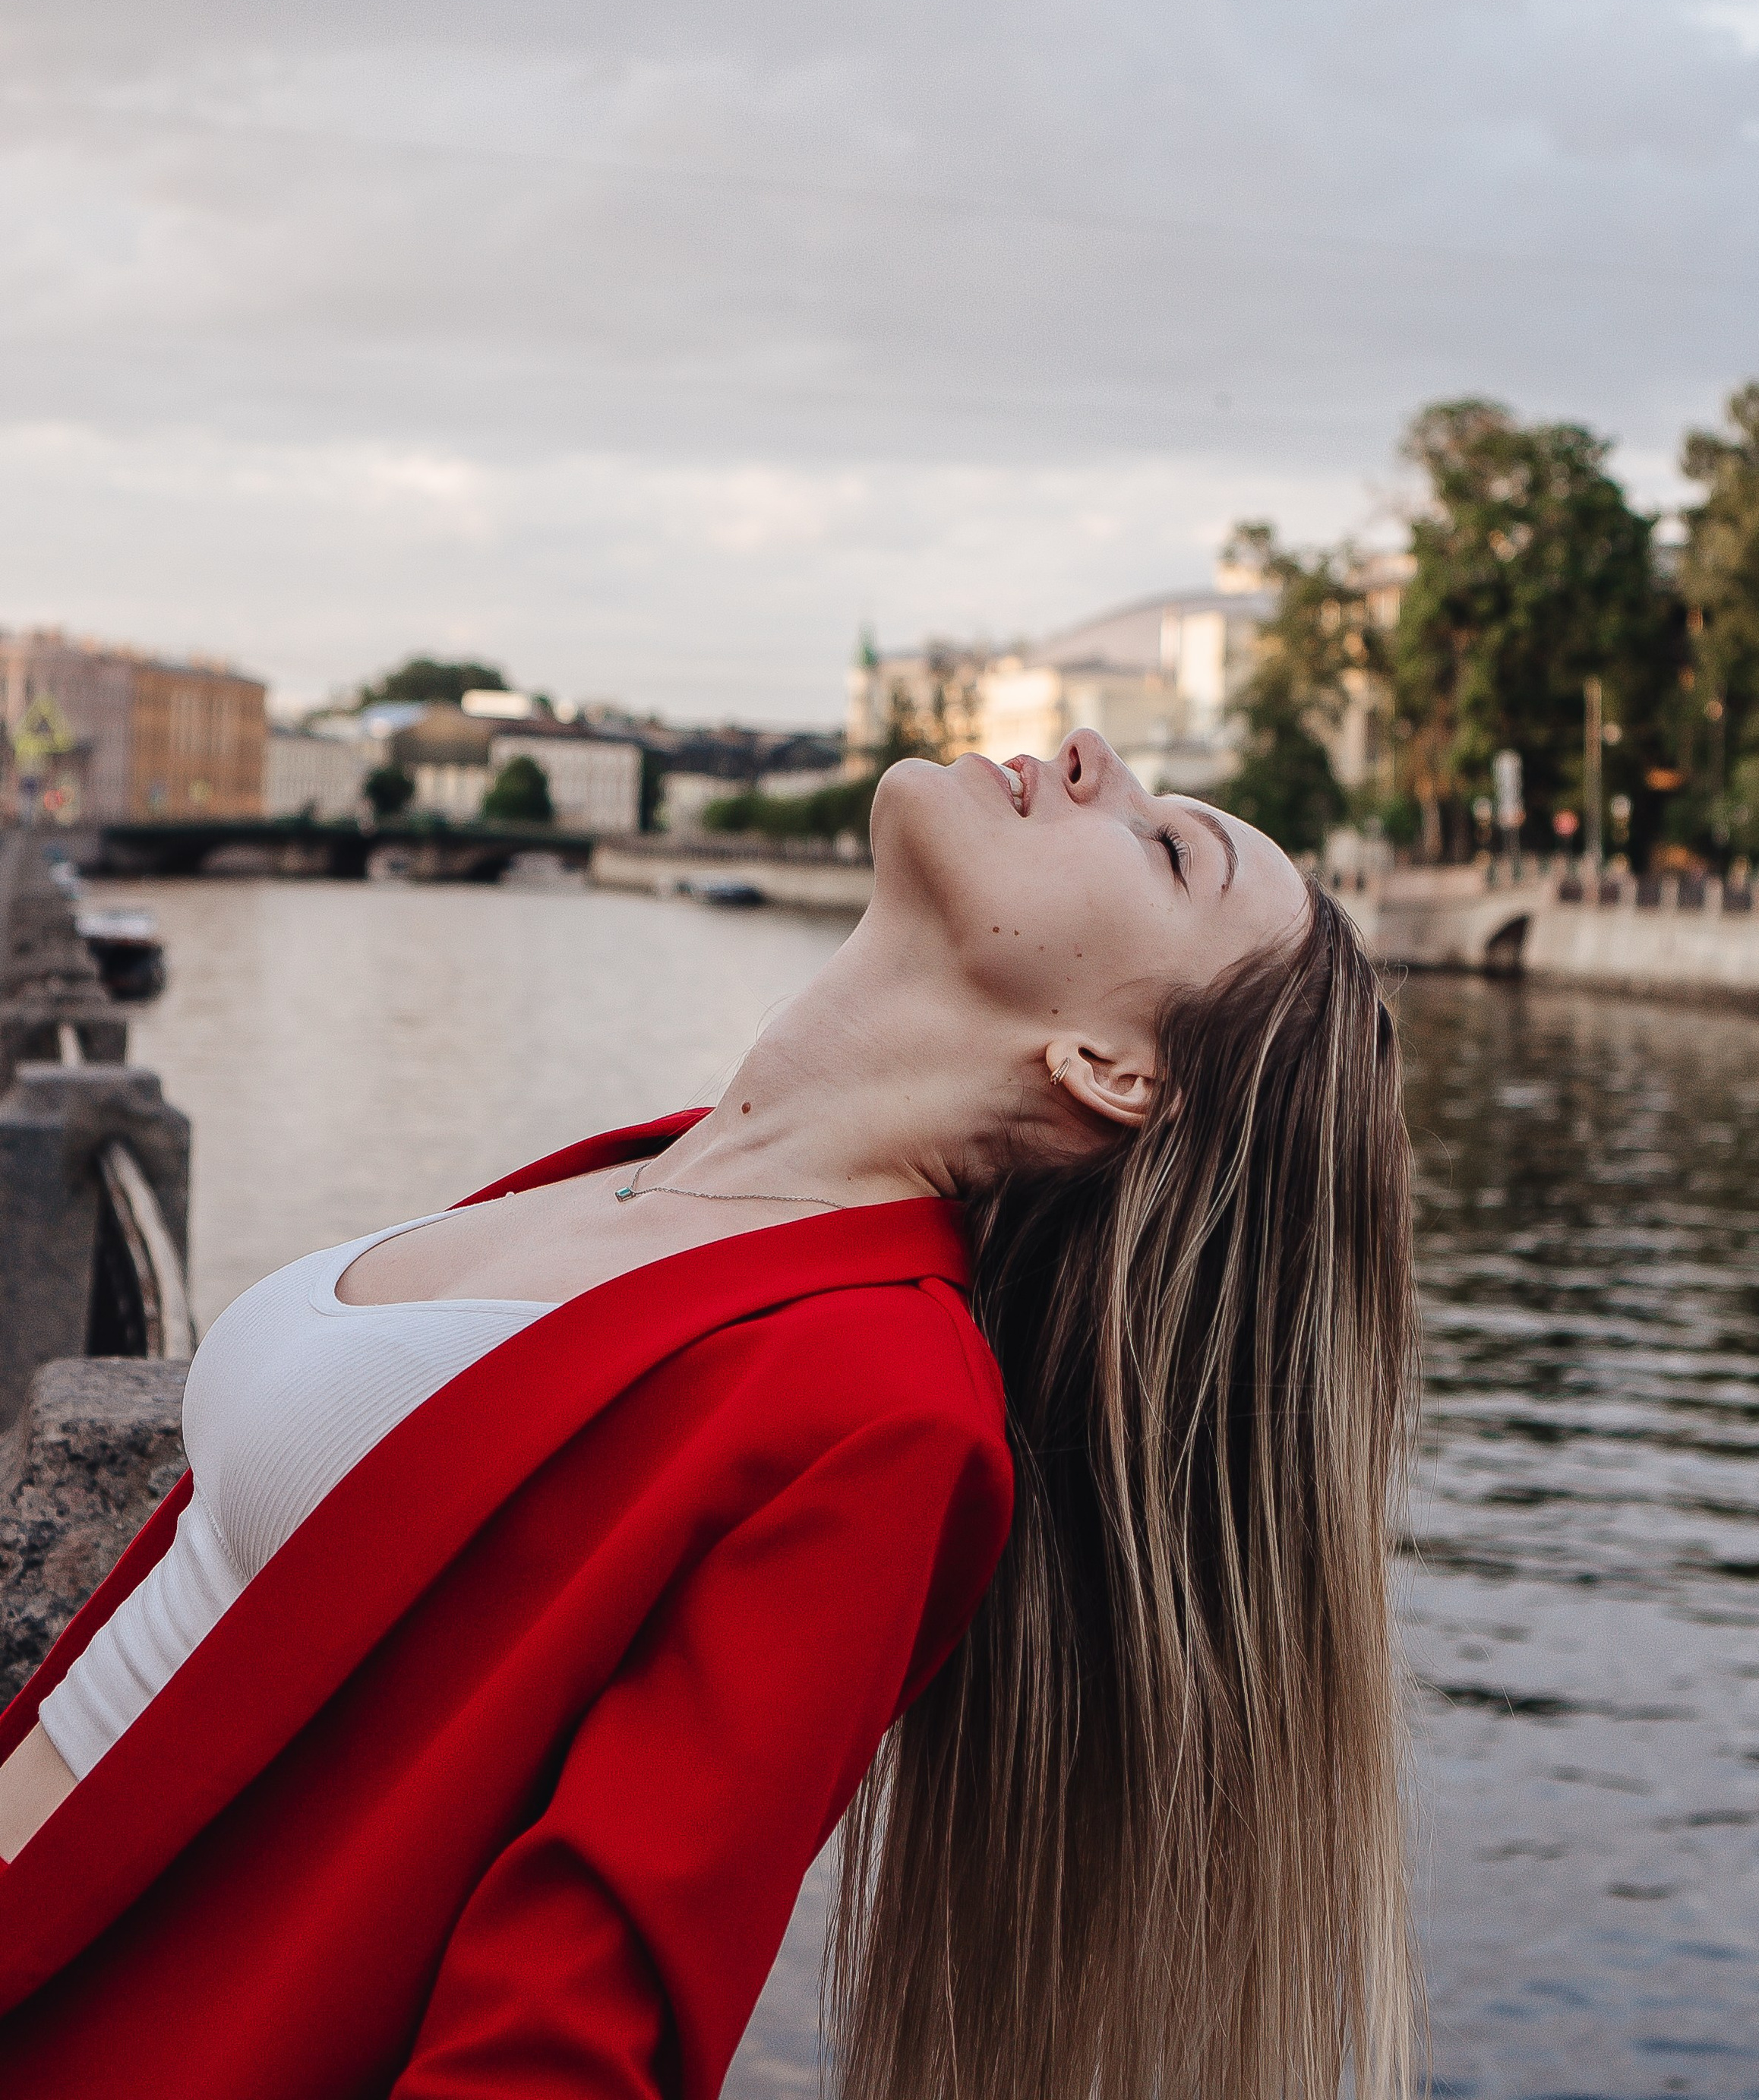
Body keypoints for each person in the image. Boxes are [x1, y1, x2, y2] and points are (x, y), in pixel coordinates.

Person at [0, 727, 1416, 2100]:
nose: (1097, 753)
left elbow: (569, 2033)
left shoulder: (890, 1411)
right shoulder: (647, 1174)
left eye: (1169, 851)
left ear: (1115, 1070)